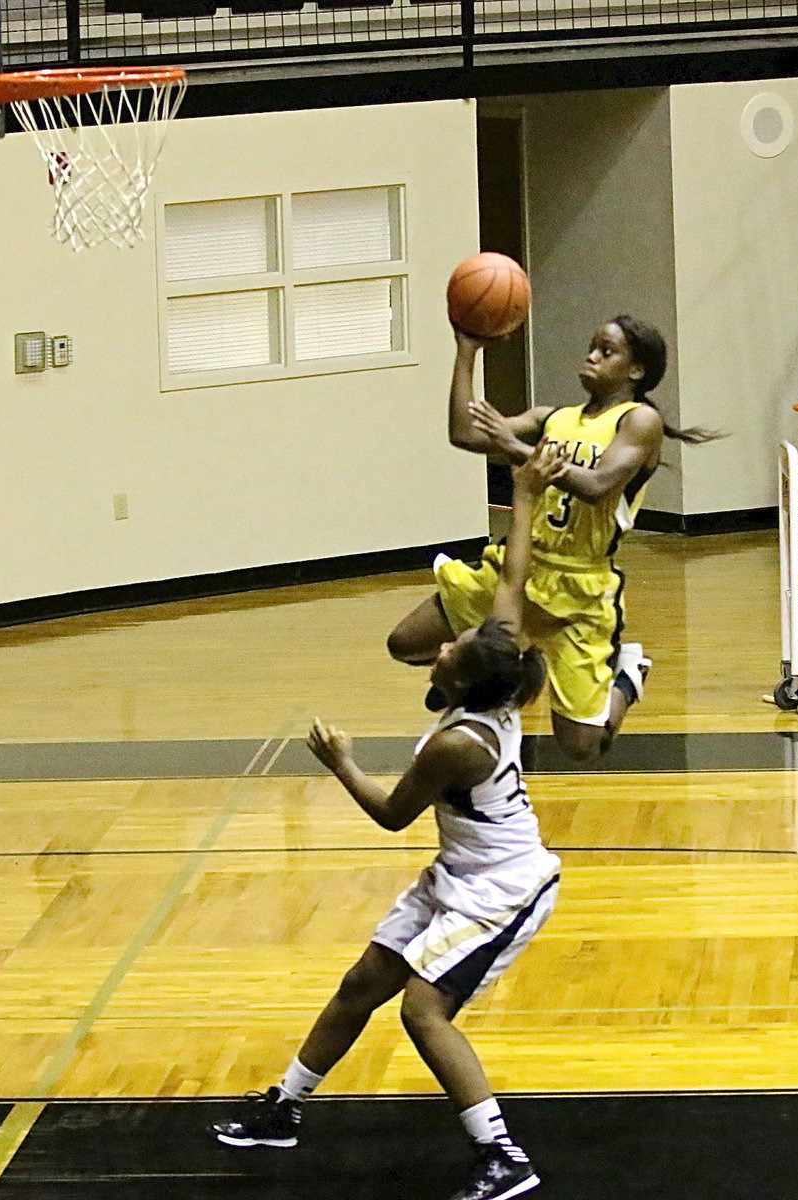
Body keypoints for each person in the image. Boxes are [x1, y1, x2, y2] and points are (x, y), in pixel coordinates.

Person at [211, 442, 564, 1200]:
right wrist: (523, 492)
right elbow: (512, 580)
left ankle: (503, 1157)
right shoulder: (496, 677)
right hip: (462, 874)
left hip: (504, 888)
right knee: (362, 980)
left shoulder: (456, 746)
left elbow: (393, 816)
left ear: (462, 679)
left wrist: (340, 761)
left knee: (423, 1012)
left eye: (449, 649)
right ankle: (284, 1107)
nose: (440, 645)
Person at [387, 314, 718, 761]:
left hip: (580, 586)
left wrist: (515, 448)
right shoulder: (552, 418)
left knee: (582, 747)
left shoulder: (639, 421)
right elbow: (463, 434)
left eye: (607, 351)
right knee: (405, 643)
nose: (591, 356)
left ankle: (628, 674)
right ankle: (478, 682)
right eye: (592, 346)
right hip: (520, 568)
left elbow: (599, 485)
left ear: (635, 371)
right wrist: (467, 350)